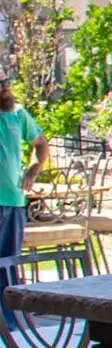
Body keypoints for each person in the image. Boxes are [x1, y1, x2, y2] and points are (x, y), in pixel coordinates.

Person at [1, 77, 50, 330]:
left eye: (4, 83)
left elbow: (40, 145)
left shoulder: (17, 114)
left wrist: (33, 170)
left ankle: (12, 326)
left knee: (8, 268)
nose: (4, 88)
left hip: (11, 202)